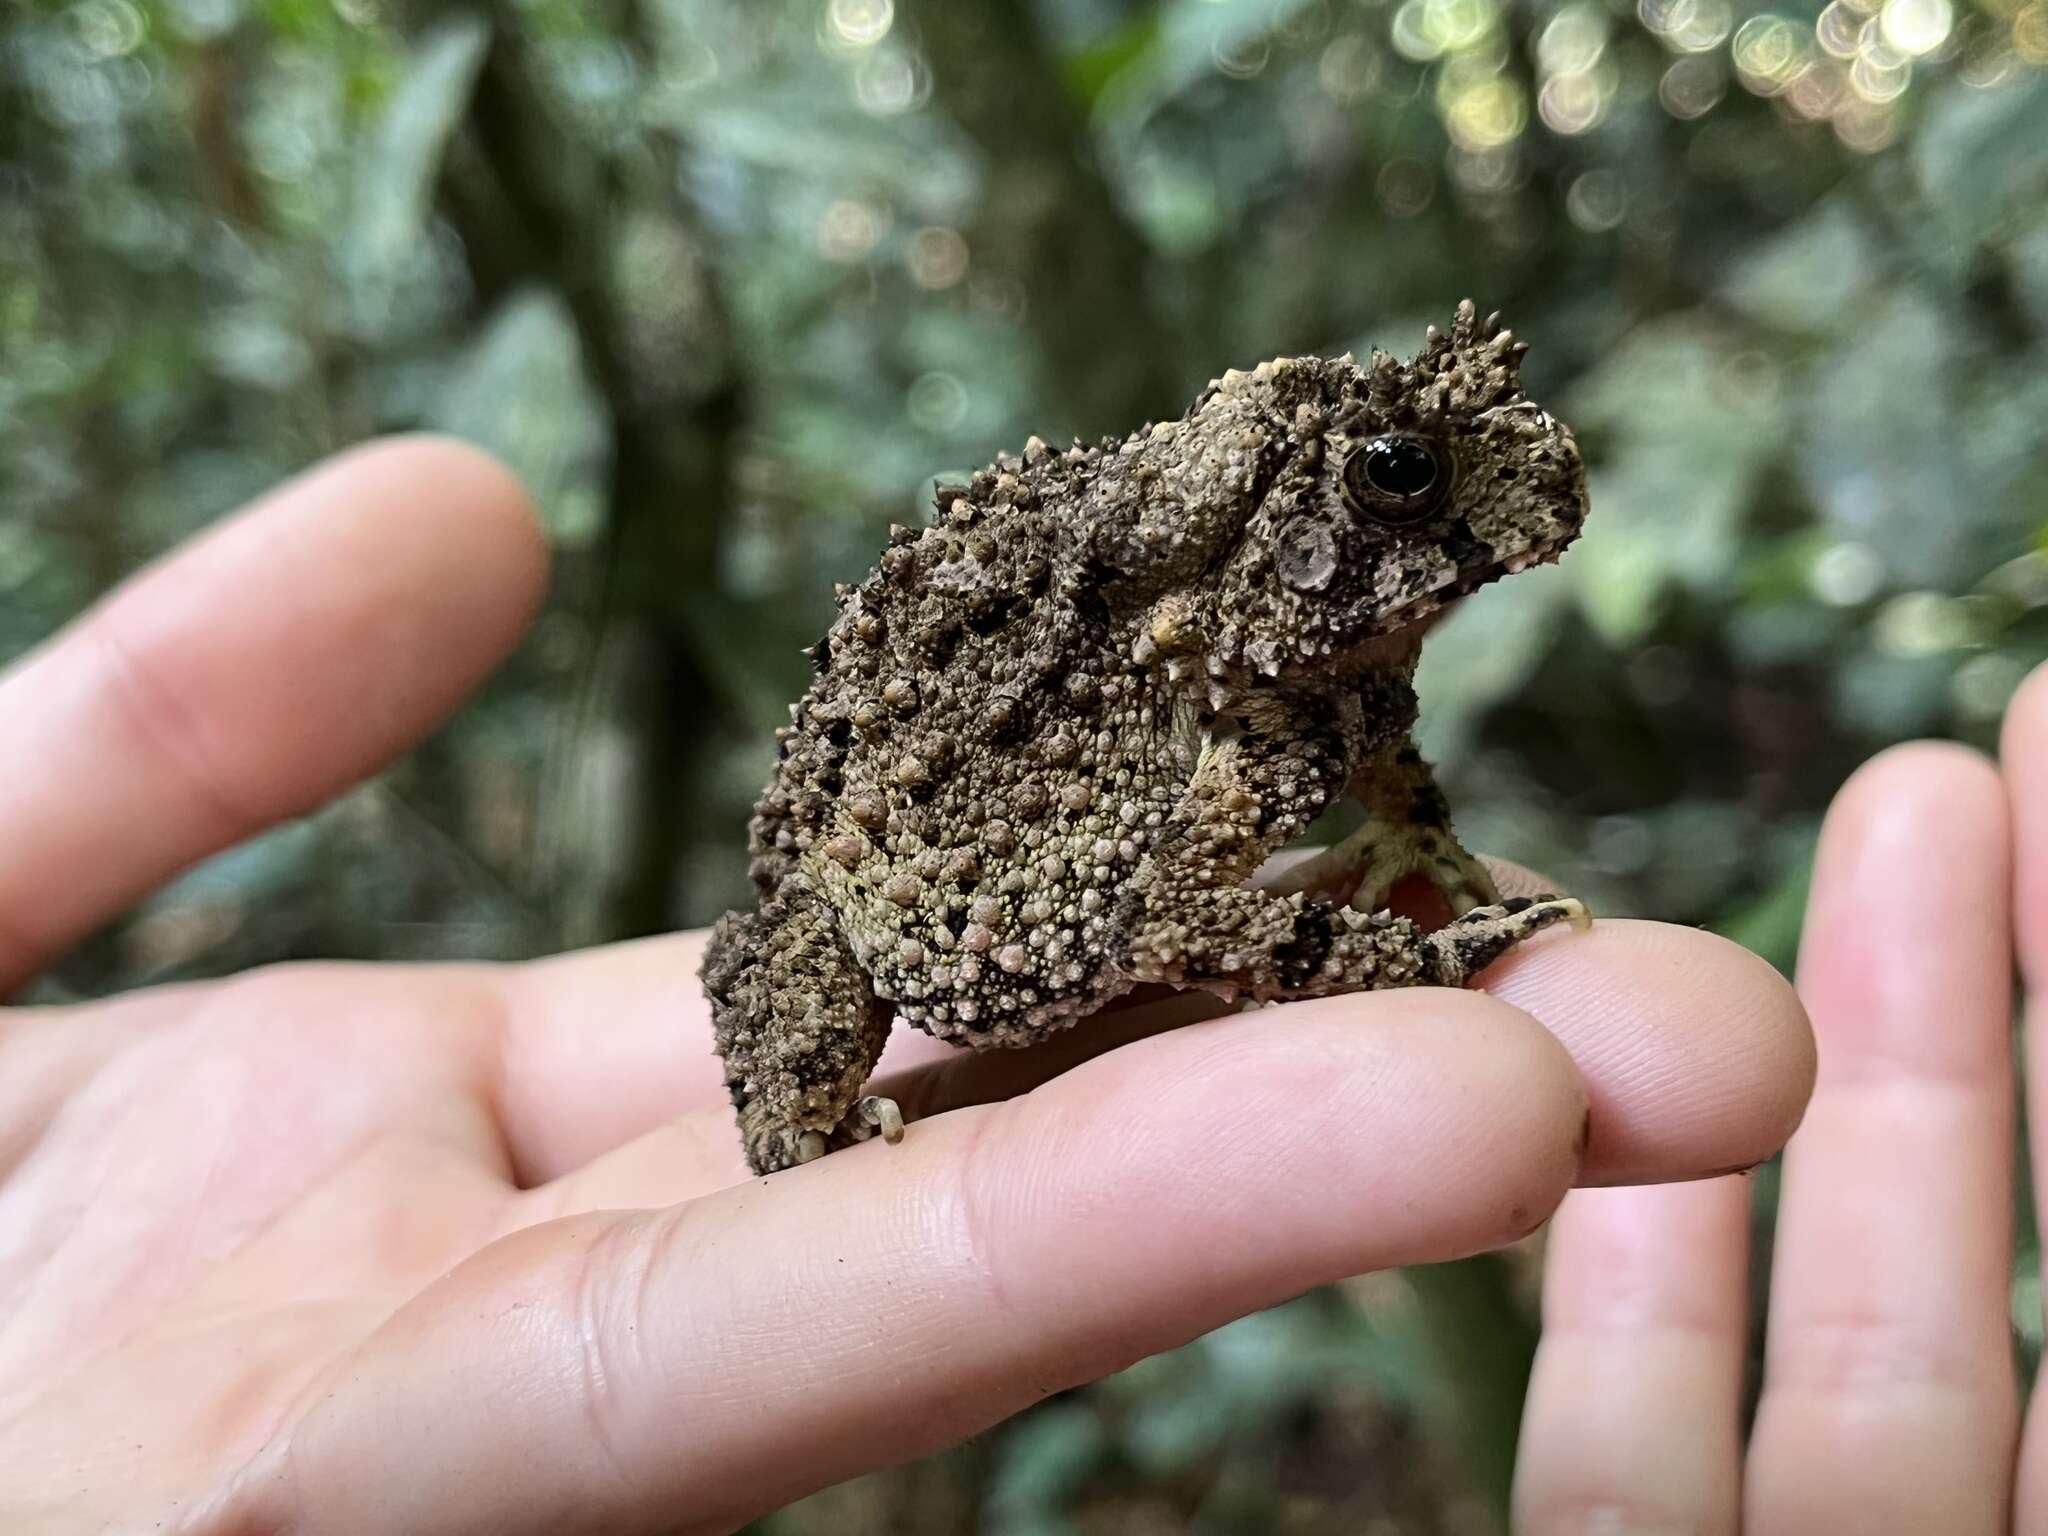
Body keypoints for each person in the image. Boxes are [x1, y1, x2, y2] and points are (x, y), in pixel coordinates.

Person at [0, 436, 2019, 1535]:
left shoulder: (1289, 662)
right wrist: (1364, 933)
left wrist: (1408, 855)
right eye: (1400, 479)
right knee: (1102, 948)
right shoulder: (1183, 661)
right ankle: (816, 1131)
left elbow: (1364, 729)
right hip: (921, 887)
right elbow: (1184, 901)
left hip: (1047, 818)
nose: (1469, 504)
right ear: (1275, 535)